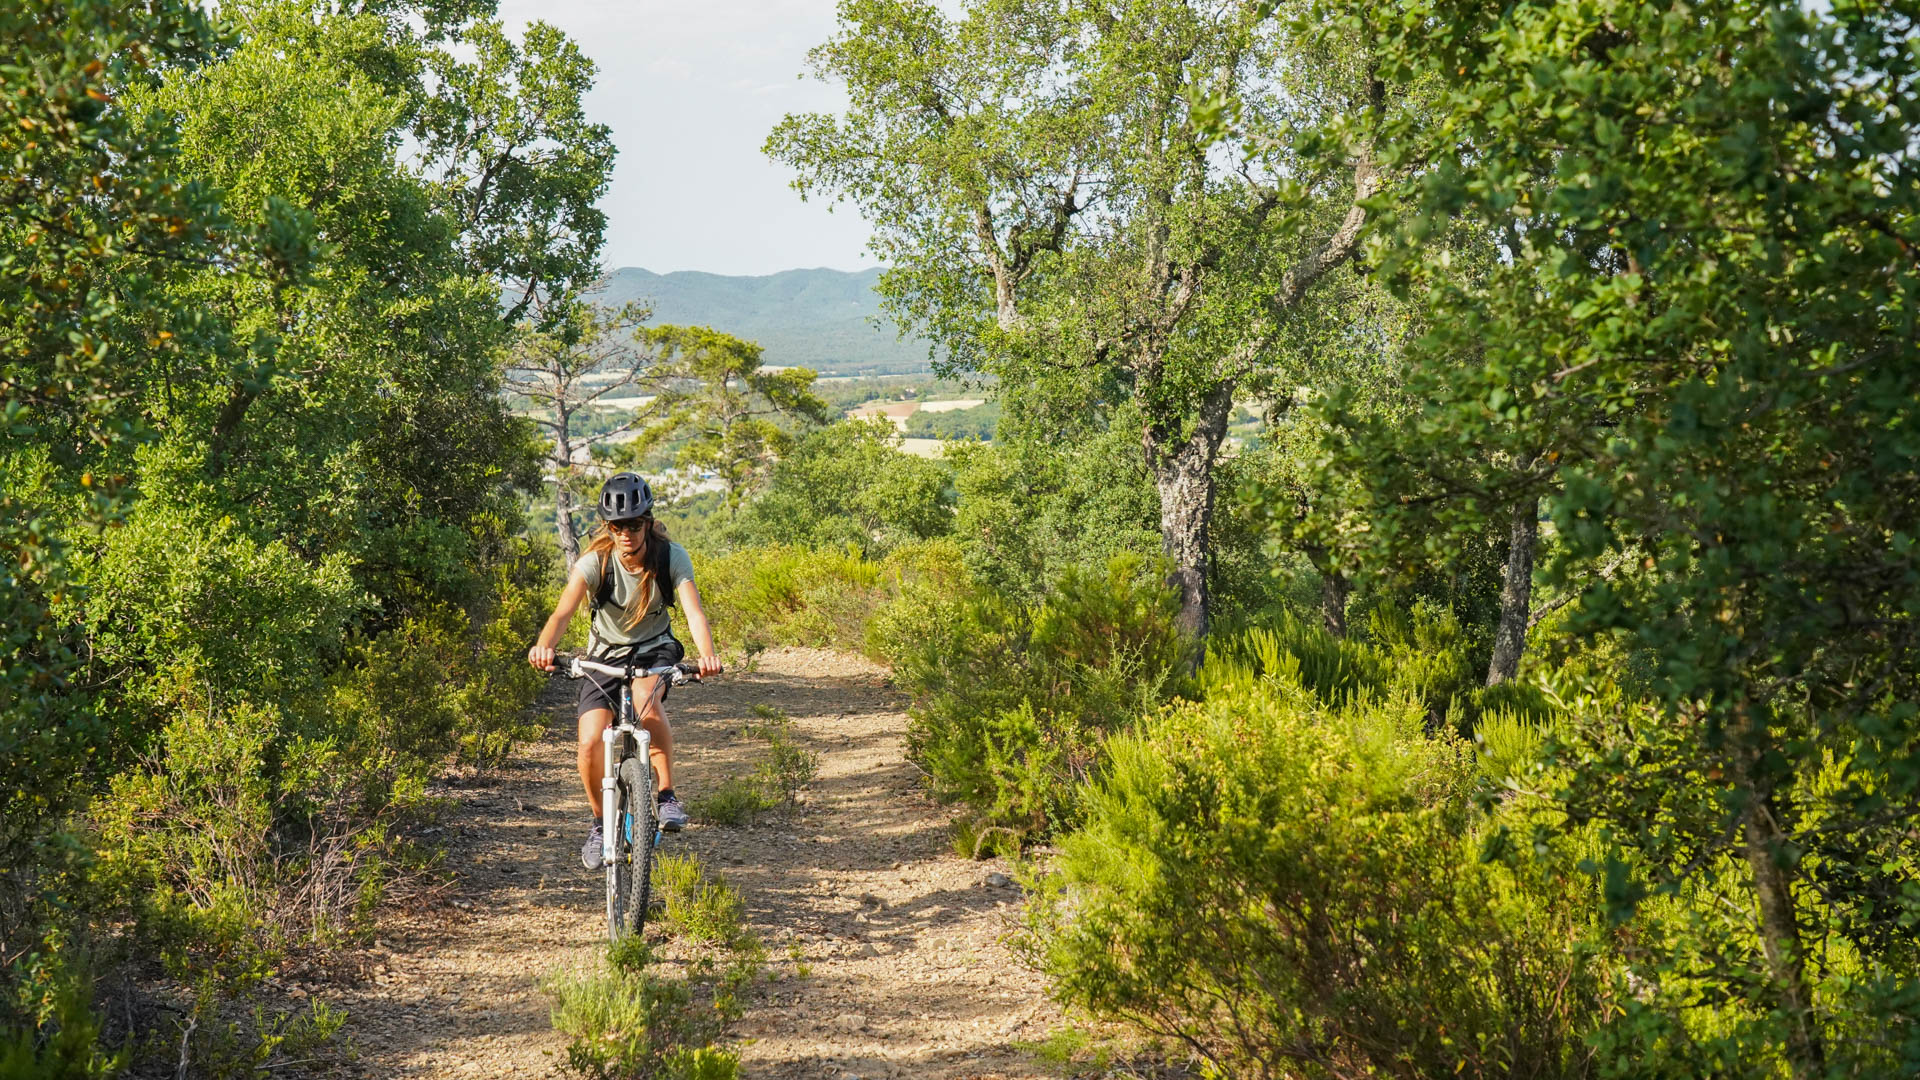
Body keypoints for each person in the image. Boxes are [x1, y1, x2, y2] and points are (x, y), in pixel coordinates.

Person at [526, 473, 722, 869]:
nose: (626, 533)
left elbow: (693, 612)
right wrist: (545, 645)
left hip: (654, 650)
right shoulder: (595, 561)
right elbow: (563, 611)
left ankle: (666, 796)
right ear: (607, 527)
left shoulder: (670, 556)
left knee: (647, 708)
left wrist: (707, 655)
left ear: (647, 521)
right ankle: (601, 824)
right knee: (588, 743)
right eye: (617, 526)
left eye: (634, 524)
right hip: (604, 656)